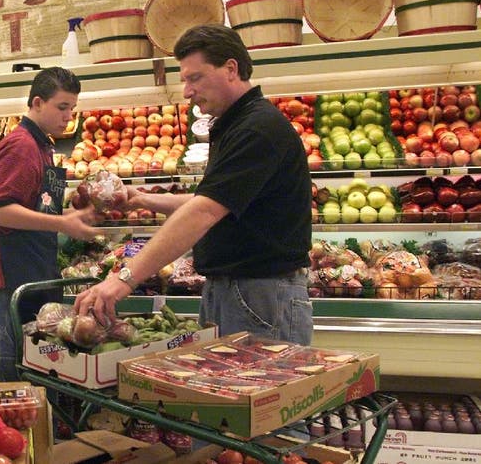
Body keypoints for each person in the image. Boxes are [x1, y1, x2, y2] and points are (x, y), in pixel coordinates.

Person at [73, 24, 313, 345]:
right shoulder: (237, 124)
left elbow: (204, 211)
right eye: (184, 80)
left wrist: (124, 278)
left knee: (260, 393)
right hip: (239, 291)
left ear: (231, 69)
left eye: (194, 78)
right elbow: (212, 199)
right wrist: (141, 199)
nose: (186, 91)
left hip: (260, 295)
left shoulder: (257, 128)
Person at [0, 66, 100, 381]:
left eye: (72, 108)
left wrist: (69, 214)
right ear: (37, 103)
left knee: (36, 360)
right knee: (17, 362)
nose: (68, 116)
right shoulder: (21, 147)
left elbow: (32, 204)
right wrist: (63, 223)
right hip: (9, 273)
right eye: (62, 107)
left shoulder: (40, 145)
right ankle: (16, 427)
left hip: (30, 268)